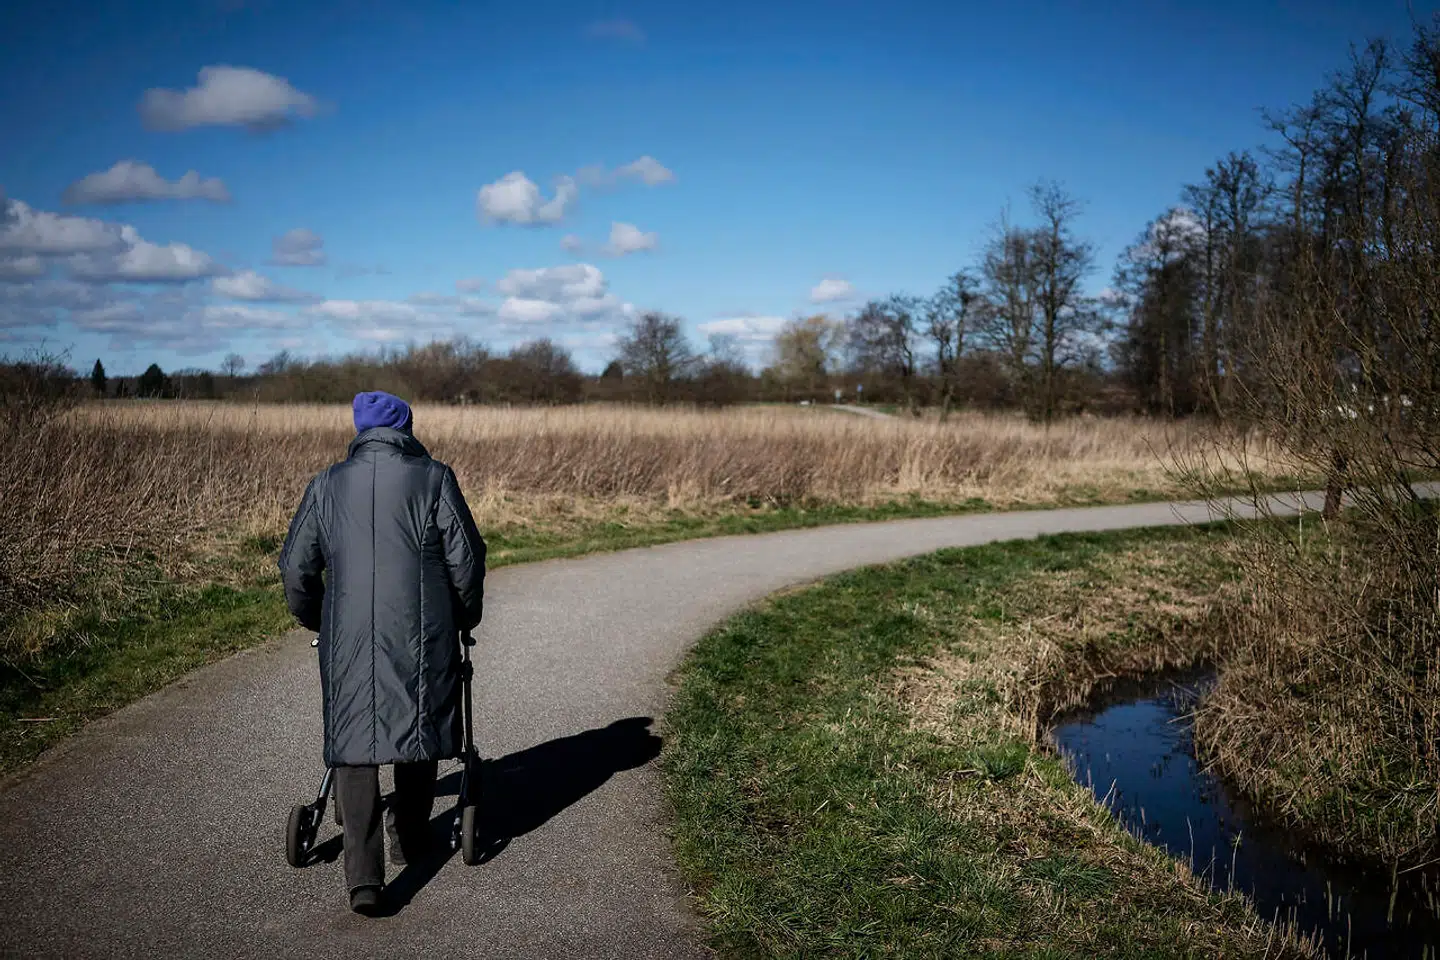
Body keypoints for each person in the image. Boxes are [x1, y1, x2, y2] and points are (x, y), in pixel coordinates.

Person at [279, 390, 486, 915]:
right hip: (423, 632)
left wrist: (317, 616)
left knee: (354, 738)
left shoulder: (326, 485)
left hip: (346, 635)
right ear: (407, 428)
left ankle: (364, 879)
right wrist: (464, 618)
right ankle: (411, 840)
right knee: (416, 720)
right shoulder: (434, 478)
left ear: (360, 429)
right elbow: (467, 561)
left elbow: (295, 568)